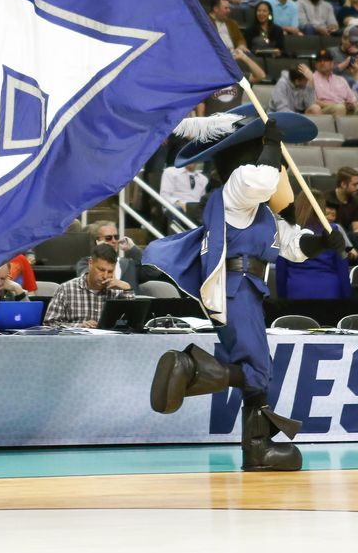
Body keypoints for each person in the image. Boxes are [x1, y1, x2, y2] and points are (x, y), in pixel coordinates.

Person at [146, 113, 341, 471]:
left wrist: (323, 244)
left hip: (248, 289)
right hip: (235, 288)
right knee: (258, 369)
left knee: (256, 369)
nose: (281, 168)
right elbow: (260, 179)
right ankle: (189, 366)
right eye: (275, 160)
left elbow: (292, 246)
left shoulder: (258, 211)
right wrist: (270, 145)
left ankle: (258, 449)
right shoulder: (236, 190)